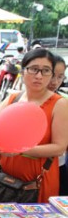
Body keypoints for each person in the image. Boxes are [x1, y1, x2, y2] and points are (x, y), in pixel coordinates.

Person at [0, 49, 68, 203]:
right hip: (4, 180)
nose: (39, 76)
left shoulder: (59, 104)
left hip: (37, 183)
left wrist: (18, 149)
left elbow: (59, 147)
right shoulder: (13, 98)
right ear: (23, 71)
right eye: (33, 69)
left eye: (45, 71)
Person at [47, 55, 67, 196]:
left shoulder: (62, 103)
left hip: (56, 167)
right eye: (52, 75)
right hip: (24, 172)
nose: (55, 82)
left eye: (60, 77)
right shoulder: (19, 99)